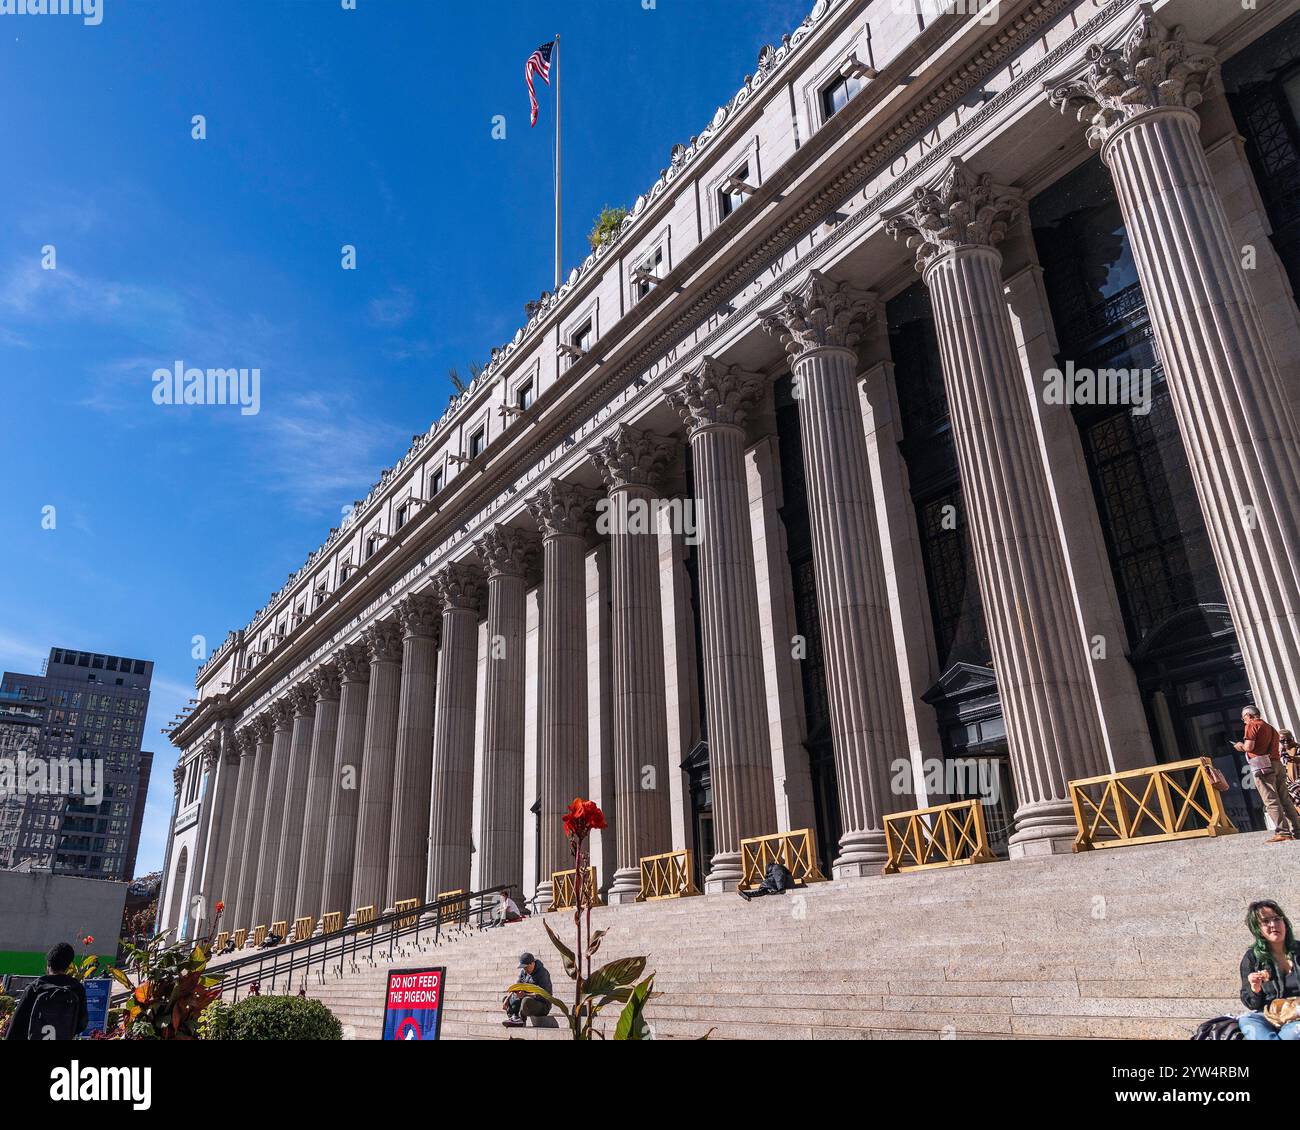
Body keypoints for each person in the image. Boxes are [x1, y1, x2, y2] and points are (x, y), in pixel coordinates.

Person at [1233, 706, 1300, 842]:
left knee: (1271, 800)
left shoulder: (1252, 725)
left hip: (1262, 765)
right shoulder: (1271, 728)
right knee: (1285, 800)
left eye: (1243, 717)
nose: (1243, 720)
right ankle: (1297, 831)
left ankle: (1283, 832)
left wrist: (1240, 746)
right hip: (1277, 764)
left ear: (1249, 715)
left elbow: (1249, 747)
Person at [1238, 900, 1300, 1039]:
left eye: (1277, 919)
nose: (1273, 925)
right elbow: (1252, 1004)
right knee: (1247, 1020)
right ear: (1257, 929)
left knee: (1293, 1033)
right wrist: (1255, 988)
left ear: (1285, 922)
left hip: (1297, 1012)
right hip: (1269, 1013)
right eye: (1265, 921)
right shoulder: (1252, 958)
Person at [5, 942, 89, 1041]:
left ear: (48, 963)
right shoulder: (76, 988)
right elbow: (82, 1023)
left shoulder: (35, 987)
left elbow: (17, 1025)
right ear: (68, 966)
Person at [502, 951, 552, 1028]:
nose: (525, 969)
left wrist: (525, 994)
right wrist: (507, 999)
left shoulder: (543, 973)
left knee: (526, 1000)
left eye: (526, 967)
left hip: (542, 1005)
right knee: (506, 999)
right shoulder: (523, 972)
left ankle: (521, 1020)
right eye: (523, 967)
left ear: (532, 963)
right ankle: (514, 1018)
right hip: (526, 1000)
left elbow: (544, 995)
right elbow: (516, 986)